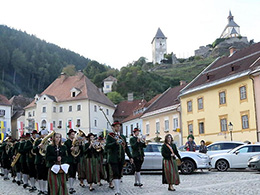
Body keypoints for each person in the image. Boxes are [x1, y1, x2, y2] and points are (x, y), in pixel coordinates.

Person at [105, 121, 133, 195]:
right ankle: (117, 191)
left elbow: (126, 147)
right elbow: (107, 146)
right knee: (116, 173)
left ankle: (118, 188)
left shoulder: (122, 136)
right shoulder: (110, 136)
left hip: (121, 158)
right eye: (116, 126)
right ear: (113, 128)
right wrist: (115, 143)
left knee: (119, 174)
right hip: (113, 158)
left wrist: (130, 157)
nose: (118, 128)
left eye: (119, 126)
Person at [33, 130, 49, 195]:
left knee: (45, 176)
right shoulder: (38, 141)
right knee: (40, 175)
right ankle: (40, 189)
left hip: (46, 161)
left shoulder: (49, 142)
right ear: (42, 135)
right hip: (39, 160)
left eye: (47, 134)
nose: (46, 135)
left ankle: (44, 189)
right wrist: (39, 146)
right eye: (45, 134)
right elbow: (34, 150)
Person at [64, 129, 78, 194]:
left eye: (74, 134)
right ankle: (70, 187)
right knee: (70, 173)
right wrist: (70, 149)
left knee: (74, 174)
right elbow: (65, 151)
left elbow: (79, 149)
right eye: (72, 134)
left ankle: (72, 186)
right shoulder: (67, 142)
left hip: (75, 159)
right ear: (69, 135)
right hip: (69, 159)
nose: (74, 135)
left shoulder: (76, 142)